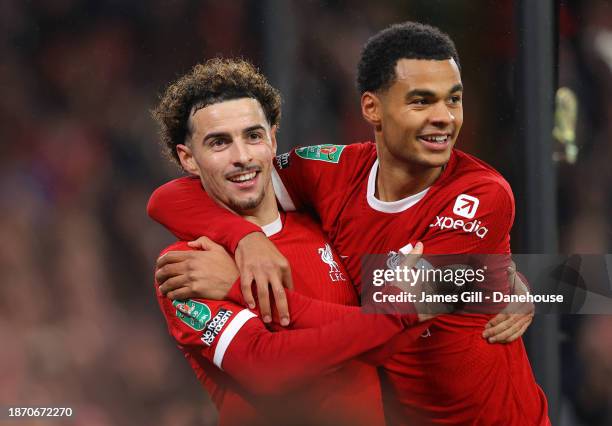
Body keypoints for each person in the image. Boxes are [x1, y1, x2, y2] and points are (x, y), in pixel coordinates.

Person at [148, 22, 549, 425]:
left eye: (454, 100)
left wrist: (521, 281)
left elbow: (395, 323)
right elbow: (168, 197)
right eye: (421, 101)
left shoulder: (481, 194)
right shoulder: (197, 262)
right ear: (372, 108)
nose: (443, 118)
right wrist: (245, 238)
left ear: (271, 140)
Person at [150, 57, 445, 426]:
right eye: (219, 143)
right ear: (188, 159)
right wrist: (398, 314)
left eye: (253, 136)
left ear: (273, 139)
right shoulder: (189, 265)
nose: (242, 157)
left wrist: (515, 282)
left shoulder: (326, 226)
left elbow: (389, 342)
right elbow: (267, 367)